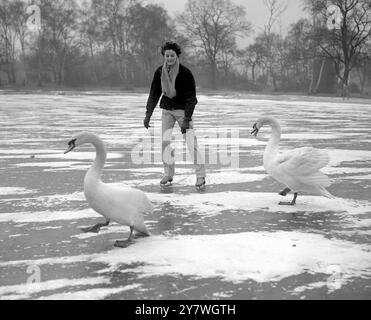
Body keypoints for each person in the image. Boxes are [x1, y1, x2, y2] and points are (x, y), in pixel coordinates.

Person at [144, 41, 206, 189]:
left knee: (191, 142)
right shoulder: (160, 72)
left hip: (183, 111)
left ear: (177, 56)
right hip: (167, 110)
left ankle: (200, 176)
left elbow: (192, 98)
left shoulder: (185, 73)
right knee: (165, 142)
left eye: (172, 55)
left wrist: (187, 119)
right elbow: (154, 93)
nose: (169, 58)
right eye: (167, 55)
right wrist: (148, 114)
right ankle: (168, 174)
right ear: (164, 56)